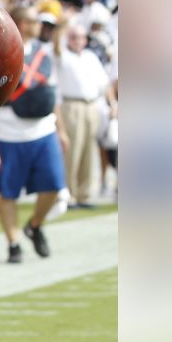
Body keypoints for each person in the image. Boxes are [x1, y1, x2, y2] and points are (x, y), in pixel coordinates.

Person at [0, 5, 69, 264]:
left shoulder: (44, 53)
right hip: (6, 131)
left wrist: (61, 129)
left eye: (34, 22)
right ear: (15, 22)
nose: (34, 26)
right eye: (28, 22)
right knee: (8, 193)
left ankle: (34, 225)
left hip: (43, 129)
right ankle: (13, 243)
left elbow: (54, 94)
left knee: (54, 186)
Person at [57, 24, 115, 208]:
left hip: (92, 105)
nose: (78, 41)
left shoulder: (90, 57)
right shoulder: (63, 57)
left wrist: (111, 103)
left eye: (81, 37)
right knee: (72, 150)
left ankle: (84, 194)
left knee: (89, 150)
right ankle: (69, 194)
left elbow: (104, 83)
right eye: (74, 37)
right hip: (72, 104)